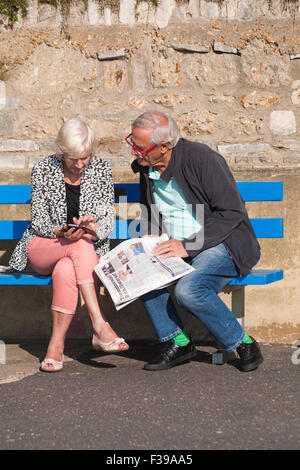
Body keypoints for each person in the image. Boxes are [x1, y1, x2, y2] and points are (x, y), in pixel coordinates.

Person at [125, 110, 263, 372]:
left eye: (140, 147)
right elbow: (152, 209)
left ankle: (242, 342)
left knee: (188, 291)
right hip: (174, 244)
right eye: (132, 143)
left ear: (164, 147)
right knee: (139, 271)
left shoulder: (203, 160)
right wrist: (150, 235)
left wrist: (186, 246)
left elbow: (232, 212)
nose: (134, 151)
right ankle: (177, 342)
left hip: (221, 243)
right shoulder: (147, 166)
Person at [9, 118, 129, 372]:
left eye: (85, 158)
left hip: (81, 252)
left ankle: (56, 346)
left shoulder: (101, 169)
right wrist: (59, 230)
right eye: (72, 159)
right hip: (44, 245)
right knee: (77, 248)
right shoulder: (44, 168)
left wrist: (93, 230)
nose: (79, 165)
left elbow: (107, 215)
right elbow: (38, 218)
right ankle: (99, 323)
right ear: (61, 153)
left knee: (67, 267)